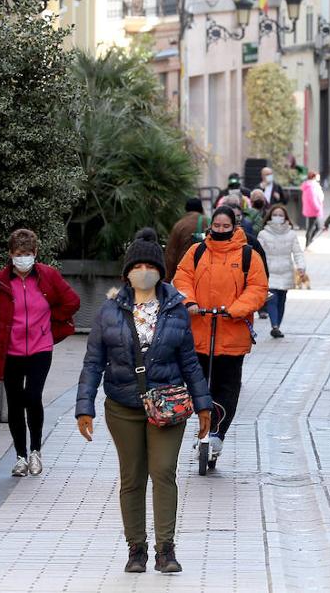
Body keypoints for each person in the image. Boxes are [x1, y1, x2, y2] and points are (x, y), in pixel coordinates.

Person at [75, 230, 213, 574]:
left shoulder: (176, 308)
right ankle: (136, 549)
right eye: (136, 265)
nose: (143, 270)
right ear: (126, 272)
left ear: (159, 270)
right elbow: (93, 361)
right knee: (132, 478)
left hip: (167, 405)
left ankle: (166, 548)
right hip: (122, 406)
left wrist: (204, 404)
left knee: (163, 472)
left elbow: (190, 361)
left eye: (149, 264)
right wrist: (84, 406)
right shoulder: (110, 310)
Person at [171, 207, 269, 466]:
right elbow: (182, 277)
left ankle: (217, 434)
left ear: (235, 226)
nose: (221, 230)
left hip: (232, 334)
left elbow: (258, 288)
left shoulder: (248, 255)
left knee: (226, 388)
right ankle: (204, 426)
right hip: (199, 331)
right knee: (198, 385)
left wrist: (236, 310)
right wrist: (189, 301)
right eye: (217, 225)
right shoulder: (197, 251)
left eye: (226, 226)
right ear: (211, 225)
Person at [0, 229, 80, 477]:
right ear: (10, 254)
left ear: (35, 254)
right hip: (9, 351)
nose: (23, 259)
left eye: (27, 254)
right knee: (14, 402)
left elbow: (72, 301)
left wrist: (50, 321)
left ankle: (36, 450)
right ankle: (20, 456)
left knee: (33, 396)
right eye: (18, 254)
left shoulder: (48, 276)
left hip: (40, 348)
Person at [258, 204, 306, 339]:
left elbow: (297, 252)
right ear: (270, 216)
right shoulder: (263, 234)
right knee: (272, 299)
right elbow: (258, 254)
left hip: (286, 270)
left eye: (280, 215)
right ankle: (275, 326)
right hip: (269, 271)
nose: (277, 217)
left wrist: (301, 267)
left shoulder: (291, 234)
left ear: (285, 217)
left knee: (282, 300)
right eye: (275, 214)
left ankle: (277, 325)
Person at [164, 198, 208, 281]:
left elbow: (171, 254)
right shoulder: (210, 223)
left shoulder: (179, 225)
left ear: (186, 210)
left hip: (184, 271)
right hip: (207, 271)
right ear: (201, 208)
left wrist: (168, 278)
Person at [300, 171, 325, 247]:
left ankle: (309, 242)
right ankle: (308, 243)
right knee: (314, 227)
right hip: (313, 210)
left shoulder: (312, 185)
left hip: (312, 209)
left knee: (316, 227)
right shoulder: (311, 186)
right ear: (314, 177)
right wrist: (317, 208)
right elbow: (313, 199)